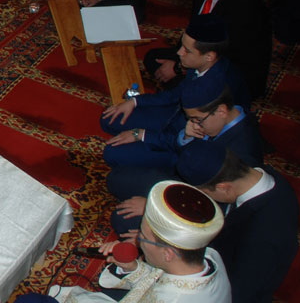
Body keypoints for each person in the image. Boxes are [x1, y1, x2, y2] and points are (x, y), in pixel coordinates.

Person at [16, 181, 230, 303]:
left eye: (142, 237)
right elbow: (159, 280)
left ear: (168, 253)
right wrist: (134, 269)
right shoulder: (209, 257)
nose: (138, 242)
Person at [100, 14, 252, 187]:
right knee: (109, 119)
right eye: (182, 46)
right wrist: (135, 102)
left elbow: (185, 139)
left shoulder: (217, 92)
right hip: (174, 117)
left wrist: (140, 134)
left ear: (209, 55)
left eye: (187, 50)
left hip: (182, 147)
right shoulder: (205, 65)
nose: (179, 53)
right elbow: (175, 95)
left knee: (113, 154)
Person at [109, 76, 264, 234]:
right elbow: (188, 159)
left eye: (197, 119)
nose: (194, 124)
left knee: (122, 220)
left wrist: (154, 205)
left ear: (221, 111)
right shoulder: (212, 119)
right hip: (183, 180)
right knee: (116, 179)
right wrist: (187, 138)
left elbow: (217, 208)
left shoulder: (245, 151)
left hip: (197, 200)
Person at [177, 143, 300, 303]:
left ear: (224, 187)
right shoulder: (252, 173)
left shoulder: (267, 234)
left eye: (205, 192)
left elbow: (240, 294)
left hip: (235, 302)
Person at [149, 0, 271, 98]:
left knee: (191, 86)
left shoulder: (246, 6)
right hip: (199, 52)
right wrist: (179, 58)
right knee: (153, 57)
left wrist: (178, 68)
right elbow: (194, 27)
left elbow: (222, 53)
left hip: (228, 65)